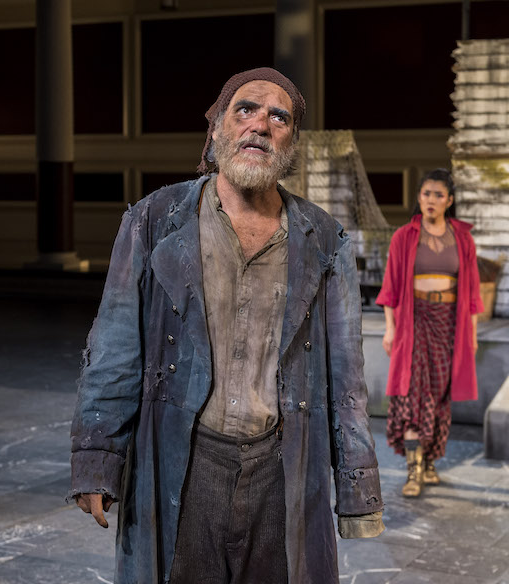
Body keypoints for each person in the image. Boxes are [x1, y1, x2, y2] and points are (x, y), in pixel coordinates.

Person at [69, 68, 384, 584]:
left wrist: (357, 490)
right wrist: (97, 460)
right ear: (216, 129)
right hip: (184, 457)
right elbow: (113, 347)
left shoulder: (325, 239)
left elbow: (347, 378)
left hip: (282, 467)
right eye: (245, 110)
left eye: (278, 117)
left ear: (291, 143)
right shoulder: (154, 220)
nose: (260, 124)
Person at [377, 168, 482, 497]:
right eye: (426, 194)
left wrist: (472, 336)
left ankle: (430, 460)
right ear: (419, 198)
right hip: (414, 321)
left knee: (438, 396)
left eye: (439, 195)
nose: (432, 200)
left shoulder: (463, 238)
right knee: (411, 393)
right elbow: (390, 289)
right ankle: (413, 471)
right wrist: (390, 329)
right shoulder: (404, 237)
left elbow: (474, 295)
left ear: (449, 201)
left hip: (449, 325)